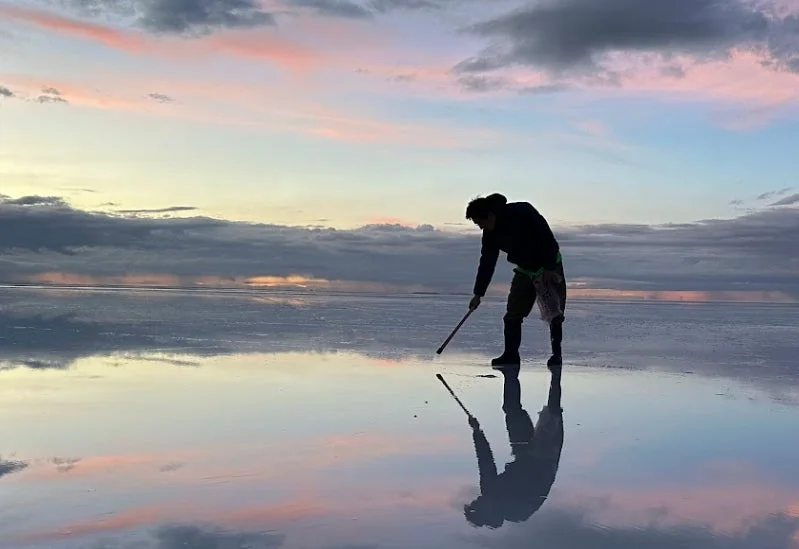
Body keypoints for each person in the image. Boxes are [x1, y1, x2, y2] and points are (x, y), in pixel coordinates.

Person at [465, 193, 566, 370]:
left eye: (480, 222)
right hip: (525, 270)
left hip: (549, 266)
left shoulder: (522, 212)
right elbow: (487, 262)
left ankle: (556, 355)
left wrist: (550, 268)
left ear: (490, 215)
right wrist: (478, 294)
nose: (480, 227)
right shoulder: (489, 234)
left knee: (554, 312)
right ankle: (511, 355)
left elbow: (546, 237)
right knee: (513, 314)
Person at [463, 366, 564, 528]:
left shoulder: (489, 493)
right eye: (479, 501)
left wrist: (477, 432)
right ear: (487, 511)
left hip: (523, 454)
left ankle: (510, 372)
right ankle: (556, 372)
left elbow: (485, 461)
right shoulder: (520, 511)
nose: (480, 497)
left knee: (511, 410)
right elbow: (541, 481)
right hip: (544, 458)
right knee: (552, 414)